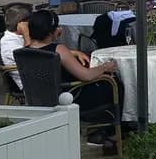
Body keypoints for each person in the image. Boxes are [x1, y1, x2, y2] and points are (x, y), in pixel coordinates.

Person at [25, 10, 121, 148]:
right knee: (115, 83)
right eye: (57, 27)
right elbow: (85, 75)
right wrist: (105, 67)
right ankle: (107, 130)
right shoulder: (58, 49)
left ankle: (102, 130)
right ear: (51, 30)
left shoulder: (26, 50)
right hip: (70, 97)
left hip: (39, 98)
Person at [0, 6, 31, 89]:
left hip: (36, 74)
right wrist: (26, 34)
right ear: (20, 24)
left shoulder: (18, 36)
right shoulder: (8, 42)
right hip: (28, 83)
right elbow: (31, 59)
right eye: (28, 21)